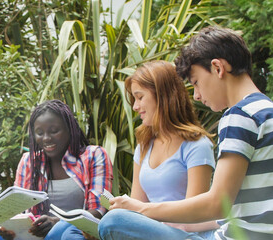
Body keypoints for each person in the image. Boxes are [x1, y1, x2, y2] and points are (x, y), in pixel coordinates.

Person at [98, 26, 273, 240]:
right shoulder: (266, 111)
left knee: (113, 222)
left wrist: (139, 209)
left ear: (217, 68)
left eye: (196, 82)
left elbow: (218, 204)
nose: (197, 96)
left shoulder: (239, 116)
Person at [98, 60, 219, 240]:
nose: (135, 107)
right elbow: (136, 206)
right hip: (154, 231)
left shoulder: (197, 145)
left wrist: (138, 214)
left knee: (114, 221)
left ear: (162, 96)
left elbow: (194, 216)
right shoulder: (144, 146)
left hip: (189, 235)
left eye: (140, 97)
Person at [0, 99, 113, 240]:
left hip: (74, 233)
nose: (46, 138)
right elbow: (17, 210)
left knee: (64, 231)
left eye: (54, 131)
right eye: (39, 133)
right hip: (34, 236)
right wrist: (10, 229)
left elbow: (98, 211)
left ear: (70, 129)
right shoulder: (29, 161)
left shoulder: (94, 155)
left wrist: (57, 222)